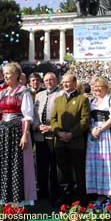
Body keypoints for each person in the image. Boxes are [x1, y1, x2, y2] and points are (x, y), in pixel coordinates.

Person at [0, 62, 36, 204]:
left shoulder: (24, 91)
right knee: (3, 161)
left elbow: (28, 115)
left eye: (8, 73)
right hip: (3, 130)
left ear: (16, 75)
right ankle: (4, 196)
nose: (5, 76)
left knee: (16, 162)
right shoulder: (2, 92)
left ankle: (18, 198)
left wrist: (25, 135)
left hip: (17, 129)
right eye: (5, 74)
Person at [51, 71, 90, 204]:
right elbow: (53, 119)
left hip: (76, 142)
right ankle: (65, 197)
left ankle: (80, 198)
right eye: (64, 82)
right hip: (60, 141)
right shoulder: (58, 99)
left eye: (68, 82)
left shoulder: (82, 99)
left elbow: (84, 120)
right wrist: (58, 132)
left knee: (79, 170)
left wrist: (71, 134)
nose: (66, 84)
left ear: (74, 83)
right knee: (62, 171)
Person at [85, 76, 111, 198]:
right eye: (94, 86)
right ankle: (97, 192)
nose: (96, 89)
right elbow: (88, 119)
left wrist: (100, 129)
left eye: (99, 86)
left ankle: (110, 193)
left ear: (106, 87)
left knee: (108, 162)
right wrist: (92, 129)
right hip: (93, 132)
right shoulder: (91, 102)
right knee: (94, 162)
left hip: (106, 132)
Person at [33, 72, 62, 202]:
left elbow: (63, 116)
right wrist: (37, 126)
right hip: (40, 135)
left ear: (56, 81)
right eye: (46, 80)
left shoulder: (61, 94)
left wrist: (51, 128)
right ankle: (42, 192)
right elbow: (33, 114)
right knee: (41, 165)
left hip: (54, 135)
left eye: (51, 79)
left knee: (55, 166)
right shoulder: (39, 95)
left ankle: (55, 193)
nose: (48, 82)